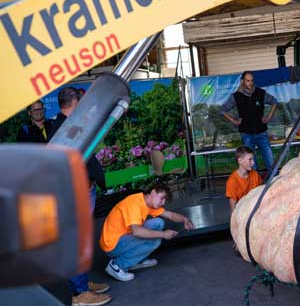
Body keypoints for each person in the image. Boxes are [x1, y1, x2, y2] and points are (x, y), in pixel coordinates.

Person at [47, 87, 111, 306]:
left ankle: (81, 283)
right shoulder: (62, 129)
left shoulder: (69, 125)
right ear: (74, 102)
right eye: (81, 101)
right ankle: (80, 294)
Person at [100, 181, 194, 282]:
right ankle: (117, 265)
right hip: (112, 245)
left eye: (165, 201)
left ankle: (134, 260)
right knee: (155, 241)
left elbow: (170, 215)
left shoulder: (147, 203)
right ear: (153, 192)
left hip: (123, 236)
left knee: (158, 223)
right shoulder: (134, 203)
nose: (162, 203)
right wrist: (163, 234)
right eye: (162, 198)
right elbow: (136, 232)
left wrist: (184, 219)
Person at [220, 71, 278, 171]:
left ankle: (275, 184)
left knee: (270, 162)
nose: (250, 83)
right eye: (247, 81)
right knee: (251, 165)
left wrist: (268, 117)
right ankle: (256, 185)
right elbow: (222, 110)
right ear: (242, 81)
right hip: (246, 134)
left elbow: (274, 102)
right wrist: (235, 121)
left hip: (261, 133)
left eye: (251, 81)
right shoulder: (236, 96)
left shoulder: (260, 93)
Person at [225, 146, 263, 252]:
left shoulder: (255, 175)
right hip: (244, 216)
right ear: (240, 160)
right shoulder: (232, 182)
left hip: (256, 213)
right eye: (250, 160)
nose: (253, 163)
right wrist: (237, 237)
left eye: (253, 159)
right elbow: (234, 212)